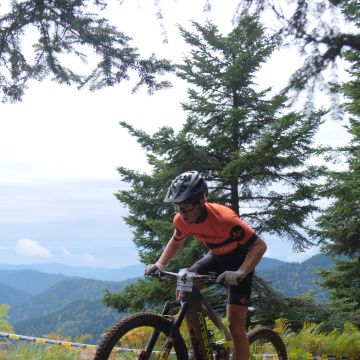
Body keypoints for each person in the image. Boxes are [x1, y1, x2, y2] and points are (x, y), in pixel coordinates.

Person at [145, 170, 267, 360]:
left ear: (201, 201)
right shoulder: (181, 220)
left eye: (185, 207)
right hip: (216, 257)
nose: (181, 213)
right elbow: (176, 241)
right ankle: (200, 341)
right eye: (178, 207)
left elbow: (259, 246)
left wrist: (241, 272)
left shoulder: (225, 220)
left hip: (241, 261)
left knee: (235, 326)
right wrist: (160, 264)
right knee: (184, 288)